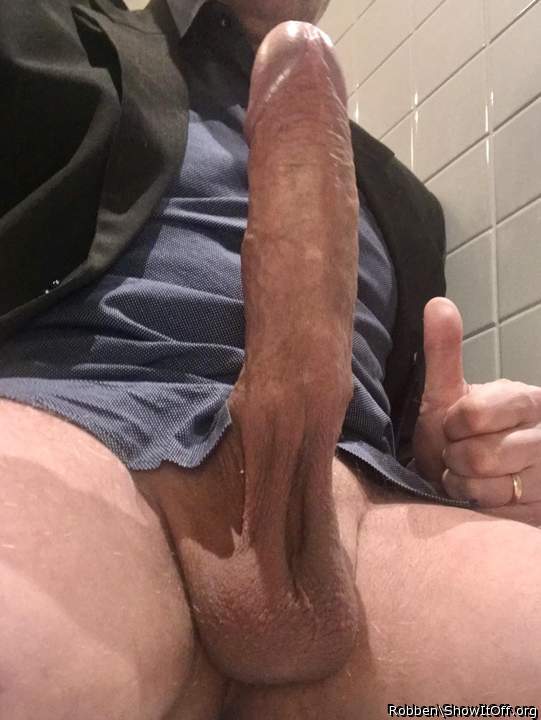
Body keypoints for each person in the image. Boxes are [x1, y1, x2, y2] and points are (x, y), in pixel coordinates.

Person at [1, 0, 540, 718]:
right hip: (84, 420)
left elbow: (416, 417)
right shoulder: (52, 33)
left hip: (355, 496)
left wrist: (462, 462)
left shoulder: (406, 205)